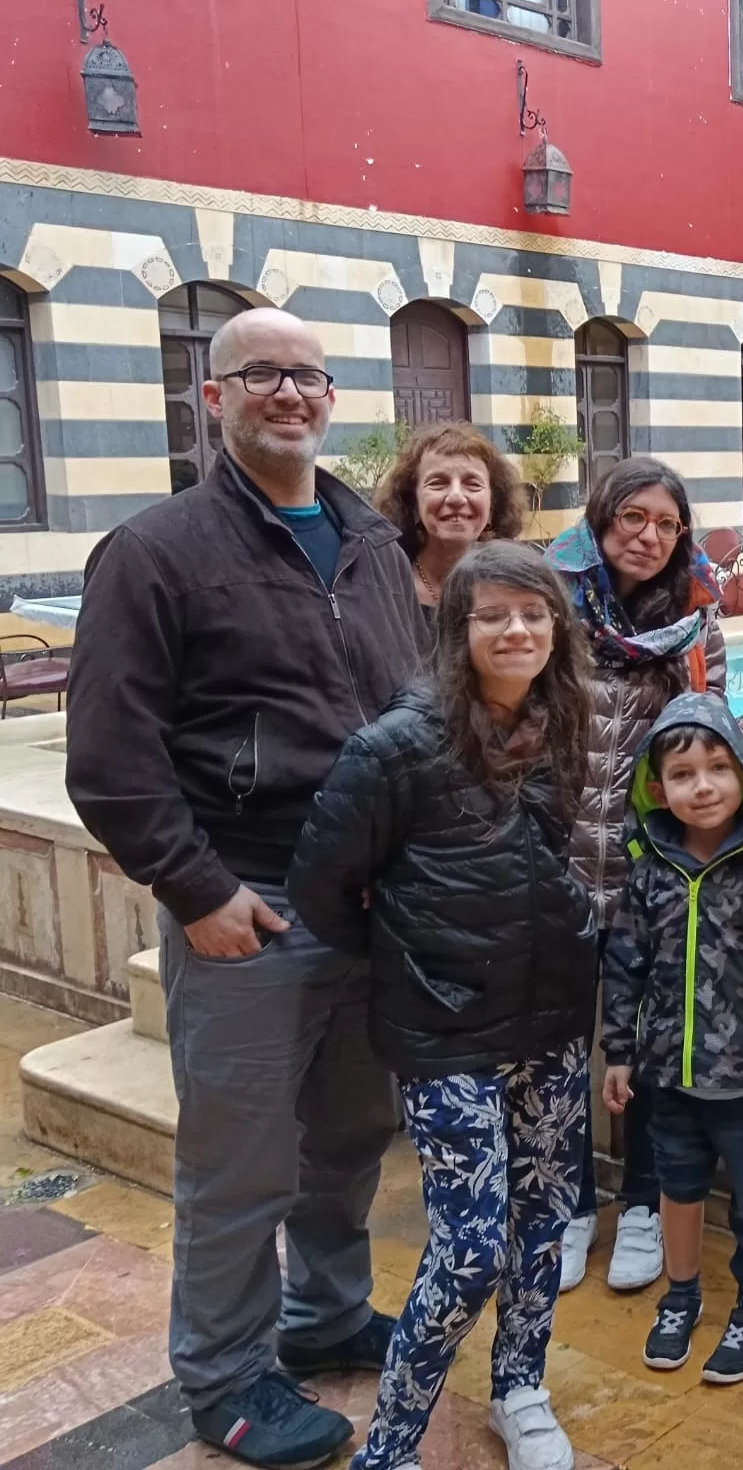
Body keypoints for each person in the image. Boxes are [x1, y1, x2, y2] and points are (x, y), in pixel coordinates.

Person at [66, 308, 424, 1469]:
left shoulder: (370, 542)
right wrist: (195, 889)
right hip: (249, 907)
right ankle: (223, 1380)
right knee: (241, 1164)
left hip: (368, 906)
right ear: (212, 397)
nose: (289, 392)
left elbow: (411, 710)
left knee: (350, 1138)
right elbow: (109, 759)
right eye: (260, 373)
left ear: (330, 399)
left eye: (307, 375)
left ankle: (324, 1314)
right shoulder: (155, 552)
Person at [289, 540, 594, 1470]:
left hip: (551, 1019)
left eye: (534, 614)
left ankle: (520, 1388)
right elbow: (320, 885)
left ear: (557, 628)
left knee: (543, 1220)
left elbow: (553, 851)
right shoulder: (395, 746)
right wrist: (411, 957)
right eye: (493, 615)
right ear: (456, 629)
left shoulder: (563, 718)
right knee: (468, 1252)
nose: (516, 631)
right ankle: (390, 1449)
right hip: (447, 1031)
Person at [549, 459, 743, 1292]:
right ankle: (569, 1204)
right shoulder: (553, 608)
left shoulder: (696, 626)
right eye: (633, 518)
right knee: (559, 1049)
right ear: (600, 520)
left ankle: (644, 1206)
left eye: (666, 523)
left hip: (651, 876)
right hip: (556, 871)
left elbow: (706, 749)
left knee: (657, 1050)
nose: (649, 537)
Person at [600, 692, 743, 1384]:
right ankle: (681, 1294)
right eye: (682, 774)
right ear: (657, 789)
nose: (702, 787)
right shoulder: (649, 867)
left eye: (718, 769)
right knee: (678, 1189)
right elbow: (625, 962)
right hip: (668, 1076)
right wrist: (619, 1051)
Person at [372, 419, 524, 621]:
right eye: (438, 483)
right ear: (414, 504)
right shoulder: (384, 590)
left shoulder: (516, 589)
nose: (456, 497)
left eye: (472, 484)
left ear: (492, 507)